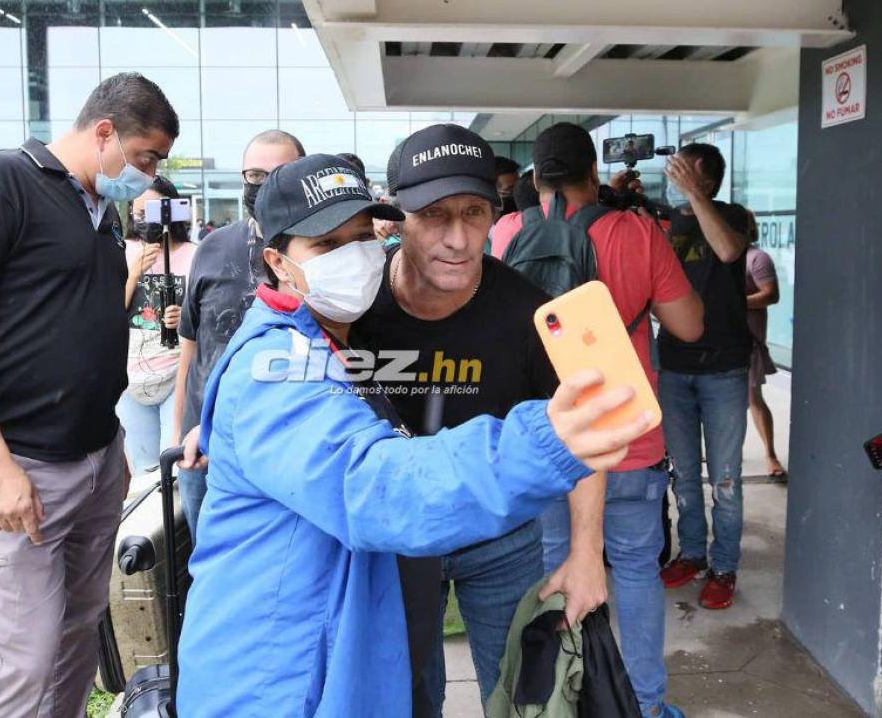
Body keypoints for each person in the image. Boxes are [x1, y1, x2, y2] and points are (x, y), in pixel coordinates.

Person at [176, 153, 652, 717]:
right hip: (280, 679)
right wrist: (541, 442)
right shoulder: (278, 362)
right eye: (327, 246)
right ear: (280, 262)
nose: (353, 258)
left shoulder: (331, 340)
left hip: (341, 639)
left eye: (361, 237)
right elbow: (374, 484)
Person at [0, 71, 177, 717]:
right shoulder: (1, 181)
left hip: (93, 461)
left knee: (77, 638)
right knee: (24, 662)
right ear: (103, 132)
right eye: (145, 157)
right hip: (21, 467)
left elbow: (81, 328)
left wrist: (111, 442)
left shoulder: (102, 212)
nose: (149, 175)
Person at [354, 124, 611, 714]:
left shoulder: (529, 311)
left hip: (501, 536)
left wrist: (586, 554)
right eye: (435, 216)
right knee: (407, 692)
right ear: (397, 220)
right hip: (398, 533)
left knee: (522, 687)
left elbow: (586, 430)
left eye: (474, 213)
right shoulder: (358, 304)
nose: (459, 238)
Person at [491, 121, 704, 718]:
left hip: (544, 441)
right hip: (627, 440)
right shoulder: (636, 232)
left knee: (554, 570)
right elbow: (689, 326)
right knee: (635, 568)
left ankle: (563, 701)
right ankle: (644, 705)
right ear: (593, 175)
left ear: (534, 180)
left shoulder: (507, 231)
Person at [171, 129, 304, 534]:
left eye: (278, 174)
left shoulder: (319, 251)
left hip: (286, 445)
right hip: (204, 447)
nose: (263, 185)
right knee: (211, 566)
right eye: (255, 175)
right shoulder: (211, 248)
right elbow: (191, 350)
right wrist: (177, 437)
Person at [656, 142, 753, 611]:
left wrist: (698, 198)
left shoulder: (736, 215)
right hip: (673, 366)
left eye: (687, 174)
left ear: (706, 178)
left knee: (727, 479)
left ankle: (724, 565)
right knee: (685, 475)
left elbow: (728, 251)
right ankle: (692, 553)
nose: (678, 180)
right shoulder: (669, 219)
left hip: (723, 367)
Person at [118, 175, 197, 475]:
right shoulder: (122, 251)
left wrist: (182, 318)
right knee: (144, 470)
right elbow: (109, 311)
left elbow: (203, 317)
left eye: (151, 212)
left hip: (176, 374)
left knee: (174, 465)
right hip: (130, 378)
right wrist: (134, 272)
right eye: (137, 212)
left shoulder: (194, 255)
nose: (143, 220)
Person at [744, 211, 786, 482]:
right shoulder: (722, 256)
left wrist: (733, 301)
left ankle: (770, 455)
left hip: (748, 340)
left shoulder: (757, 258)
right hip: (721, 340)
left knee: (753, 399)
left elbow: (771, 294)